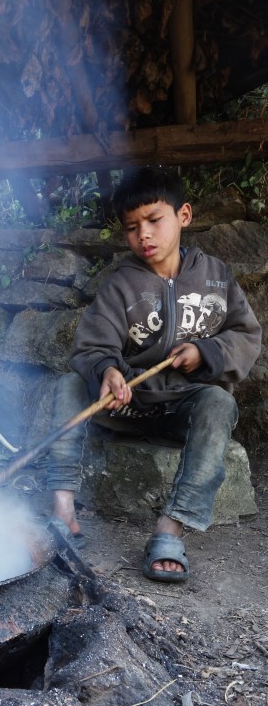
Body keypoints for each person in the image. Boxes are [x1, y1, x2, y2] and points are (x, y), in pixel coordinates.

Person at [46, 166, 262, 582]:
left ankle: (171, 526)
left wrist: (206, 351)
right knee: (70, 385)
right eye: (131, 227)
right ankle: (62, 509)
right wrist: (107, 371)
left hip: (184, 407)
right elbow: (92, 347)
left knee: (219, 402)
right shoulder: (120, 285)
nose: (143, 235)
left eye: (153, 220)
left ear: (183, 215)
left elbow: (246, 335)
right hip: (127, 406)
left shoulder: (215, 277)